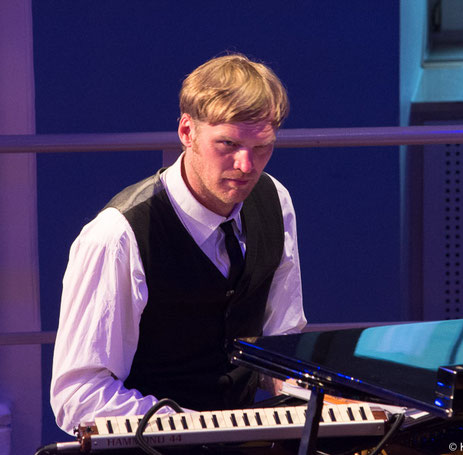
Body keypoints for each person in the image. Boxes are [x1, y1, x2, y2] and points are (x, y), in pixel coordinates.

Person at [50, 53, 306, 433]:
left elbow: (281, 343)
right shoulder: (118, 236)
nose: (246, 166)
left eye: (262, 148)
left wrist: (330, 396)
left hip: (242, 439)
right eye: (227, 144)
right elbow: (79, 396)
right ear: (187, 132)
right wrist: (199, 429)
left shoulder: (274, 200)